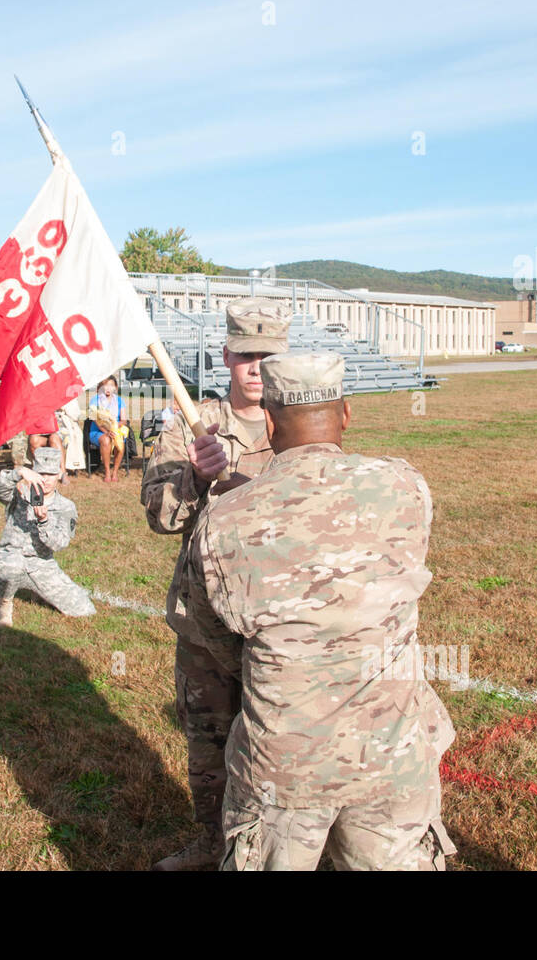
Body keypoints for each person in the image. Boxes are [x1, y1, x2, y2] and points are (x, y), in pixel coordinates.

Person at [185, 351, 457, 870]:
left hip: (284, 768)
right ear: (347, 414)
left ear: (268, 421)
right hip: (393, 756)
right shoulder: (405, 487)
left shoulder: (224, 521)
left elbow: (219, 641)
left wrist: (249, 503)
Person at [139, 296, 291, 870]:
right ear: (226, 355)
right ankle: (211, 846)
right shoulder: (193, 422)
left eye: (268, 356)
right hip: (207, 623)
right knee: (209, 745)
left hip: (276, 617)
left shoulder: (297, 424)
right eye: (247, 355)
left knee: (273, 743)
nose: (256, 367)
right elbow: (159, 516)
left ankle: (272, 850)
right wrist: (192, 477)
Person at [0, 446, 94, 628]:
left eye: (51, 474)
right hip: (11, 556)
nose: (45, 479)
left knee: (84, 609)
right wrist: (19, 472)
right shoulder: (20, 494)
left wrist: (43, 521)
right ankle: (4, 604)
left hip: (41, 563)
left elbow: (60, 544)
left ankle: (38, 588)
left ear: (59, 475)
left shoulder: (66, 507)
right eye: (41, 474)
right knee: (10, 569)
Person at [87, 376, 129, 482]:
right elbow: (95, 420)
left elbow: (124, 420)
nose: (108, 388)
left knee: (119, 441)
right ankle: (107, 472)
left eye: (111, 385)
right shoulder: (95, 400)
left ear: (115, 387)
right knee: (106, 439)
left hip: (115, 429)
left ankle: (115, 471)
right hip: (98, 431)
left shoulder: (119, 401)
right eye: (105, 385)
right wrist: (106, 431)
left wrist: (114, 427)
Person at [57, 395, 86, 478]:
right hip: (53, 423)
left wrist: (65, 409)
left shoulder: (71, 398)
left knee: (75, 435)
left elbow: (76, 415)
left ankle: (72, 465)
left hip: (68, 423)